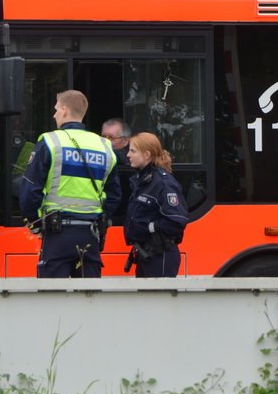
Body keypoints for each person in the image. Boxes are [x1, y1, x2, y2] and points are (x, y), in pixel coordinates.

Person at [20, 90, 121, 278]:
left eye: (56, 109)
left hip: (58, 234)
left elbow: (30, 191)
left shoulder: (50, 141)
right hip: (91, 235)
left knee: (53, 299)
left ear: (65, 110)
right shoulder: (104, 146)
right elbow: (114, 195)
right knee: (88, 299)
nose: (54, 114)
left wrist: (35, 224)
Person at [124, 132, 189, 278]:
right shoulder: (142, 181)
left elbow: (177, 220)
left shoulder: (163, 183)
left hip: (160, 254)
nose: (128, 155)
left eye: (133, 151)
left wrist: (149, 227)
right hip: (146, 254)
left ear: (146, 154)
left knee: (158, 300)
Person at [100, 117, 134, 235]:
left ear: (125, 141)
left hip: (121, 218)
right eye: (103, 137)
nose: (106, 141)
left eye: (111, 138)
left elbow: (120, 157)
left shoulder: (128, 155)